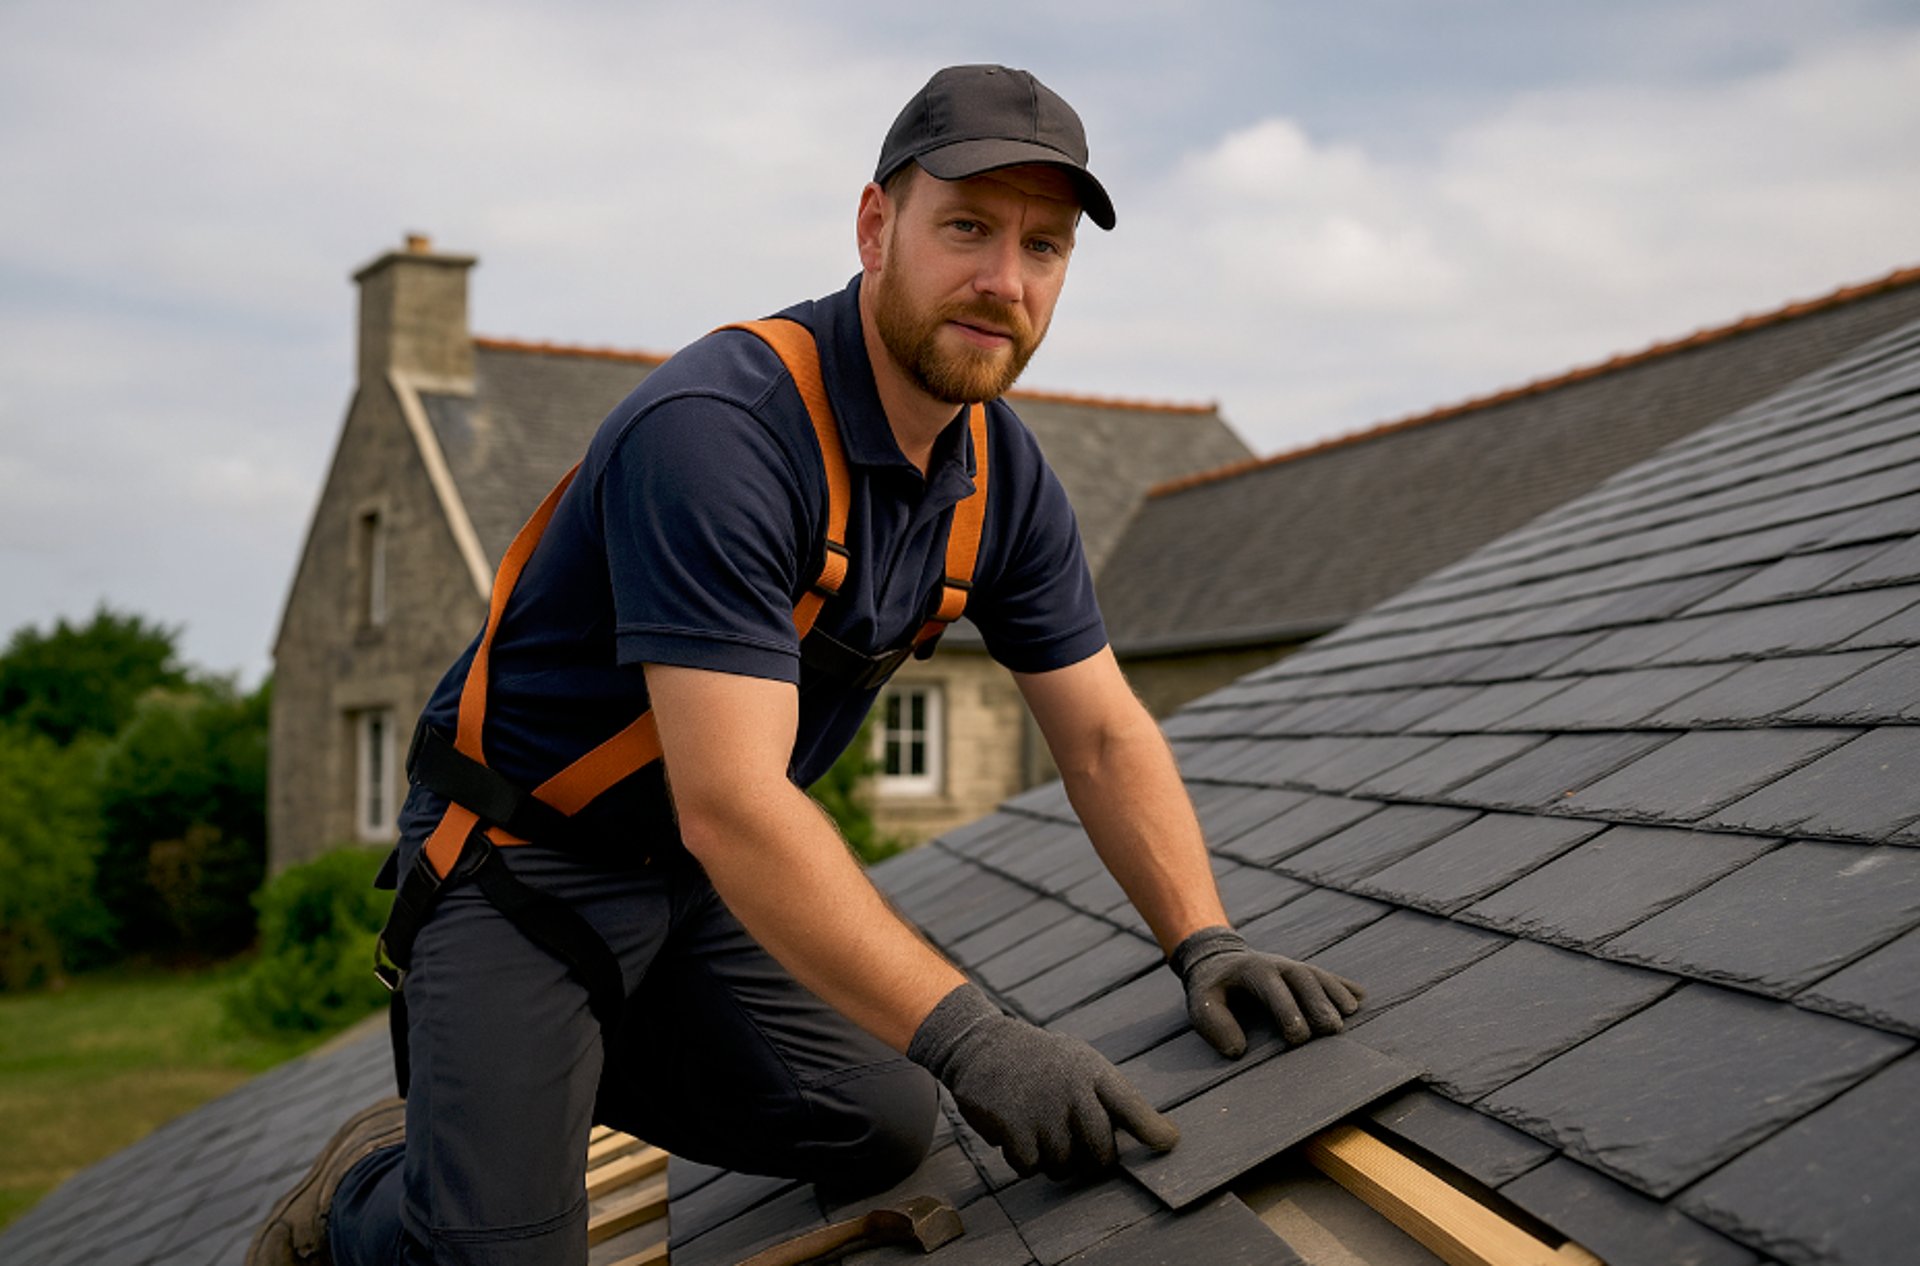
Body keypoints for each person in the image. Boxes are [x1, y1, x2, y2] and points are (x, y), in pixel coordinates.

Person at [249, 63, 1362, 1266]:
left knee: (885, 1124)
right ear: (877, 227)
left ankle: (529, 1094)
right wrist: (981, 1039)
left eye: (1044, 248)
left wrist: (1206, 940)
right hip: (521, 878)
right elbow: (734, 803)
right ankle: (373, 1176)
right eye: (969, 228)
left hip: (687, 893)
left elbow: (1098, 731)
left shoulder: (1002, 479)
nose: (1005, 281)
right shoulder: (719, 434)